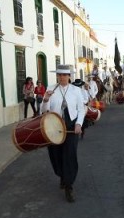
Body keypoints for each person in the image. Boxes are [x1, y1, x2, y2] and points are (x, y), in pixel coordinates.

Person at [41, 64, 85, 203]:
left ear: (69, 76)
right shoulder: (50, 89)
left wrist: (79, 124)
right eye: (59, 75)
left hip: (71, 126)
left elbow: (81, 110)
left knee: (69, 155)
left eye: (64, 75)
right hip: (54, 127)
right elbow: (43, 111)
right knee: (56, 154)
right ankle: (62, 175)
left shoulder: (76, 90)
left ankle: (69, 185)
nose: (61, 77)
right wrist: (46, 99)